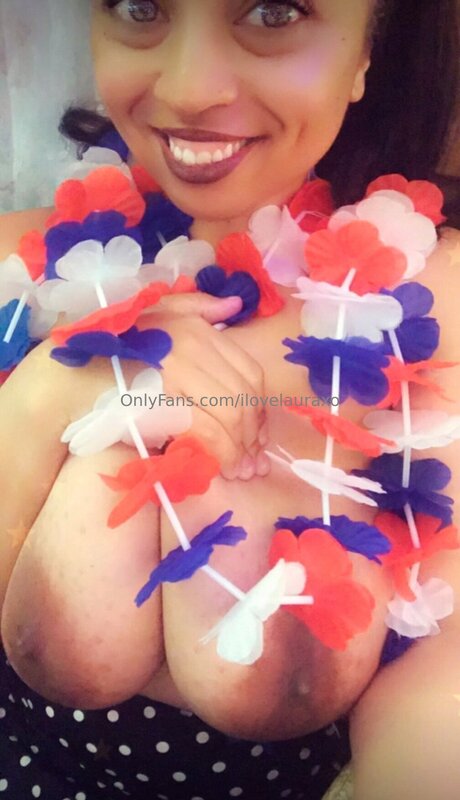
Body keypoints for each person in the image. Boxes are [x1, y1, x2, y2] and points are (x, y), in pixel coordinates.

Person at [0, 1, 460, 798]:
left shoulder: (433, 316)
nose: (189, 87)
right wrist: (49, 394)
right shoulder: (22, 274)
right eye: (139, 5)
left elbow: (440, 691)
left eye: (273, 11)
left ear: (368, 48)